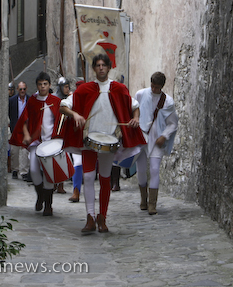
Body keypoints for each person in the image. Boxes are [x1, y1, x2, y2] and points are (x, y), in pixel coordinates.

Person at [60, 54, 146, 232]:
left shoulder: (119, 88)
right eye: (98, 65)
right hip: (89, 140)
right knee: (88, 177)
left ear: (108, 67)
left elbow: (135, 106)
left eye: (103, 65)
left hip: (109, 141)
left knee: (105, 178)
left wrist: (136, 118)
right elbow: (63, 106)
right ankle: (90, 217)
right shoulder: (85, 89)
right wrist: (75, 114)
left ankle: (102, 218)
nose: (101, 68)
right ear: (94, 68)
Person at [9, 72, 62, 216]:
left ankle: (48, 205)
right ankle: (40, 195)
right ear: (37, 85)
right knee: (33, 169)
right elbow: (24, 120)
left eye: (45, 84)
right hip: (36, 141)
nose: (43, 86)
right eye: (40, 84)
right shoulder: (32, 101)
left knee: (49, 173)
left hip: (51, 142)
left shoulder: (56, 101)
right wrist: (26, 134)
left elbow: (60, 121)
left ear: (49, 85)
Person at [134, 72, 178, 215]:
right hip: (141, 138)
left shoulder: (168, 101)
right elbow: (133, 111)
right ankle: (143, 199)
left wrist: (164, 136)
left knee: (154, 169)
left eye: (157, 87)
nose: (154, 89)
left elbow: (173, 123)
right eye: (152, 86)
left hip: (157, 139)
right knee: (141, 170)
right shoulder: (140, 94)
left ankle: (152, 204)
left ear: (162, 87)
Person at [9, 81, 30, 181]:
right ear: (17, 89)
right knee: (14, 151)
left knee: (25, 151)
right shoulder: (12, 100)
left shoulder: (30, 100)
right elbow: (10, 113)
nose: (22, 91)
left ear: (26, 89)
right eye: (20, 89)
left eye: (24, 89)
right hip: (15, 128)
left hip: (26, 129)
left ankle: (24, 171)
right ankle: (15, 169)